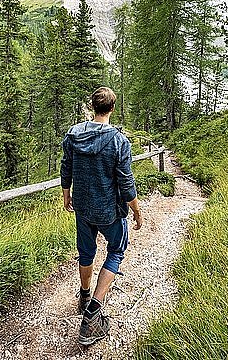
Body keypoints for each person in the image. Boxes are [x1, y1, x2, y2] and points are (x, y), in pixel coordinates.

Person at [61, 86, 143, 346]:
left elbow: (66, 167)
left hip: (83, 209)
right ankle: (92, 316)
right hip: (110, 211)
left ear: (92, 106)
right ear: (112, 108)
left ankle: (84, 296)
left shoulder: (74, 134)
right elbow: (126, 184)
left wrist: (66, 195)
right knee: (116, 251)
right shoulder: (119, 141)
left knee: (86, 253)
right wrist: (137, 212)